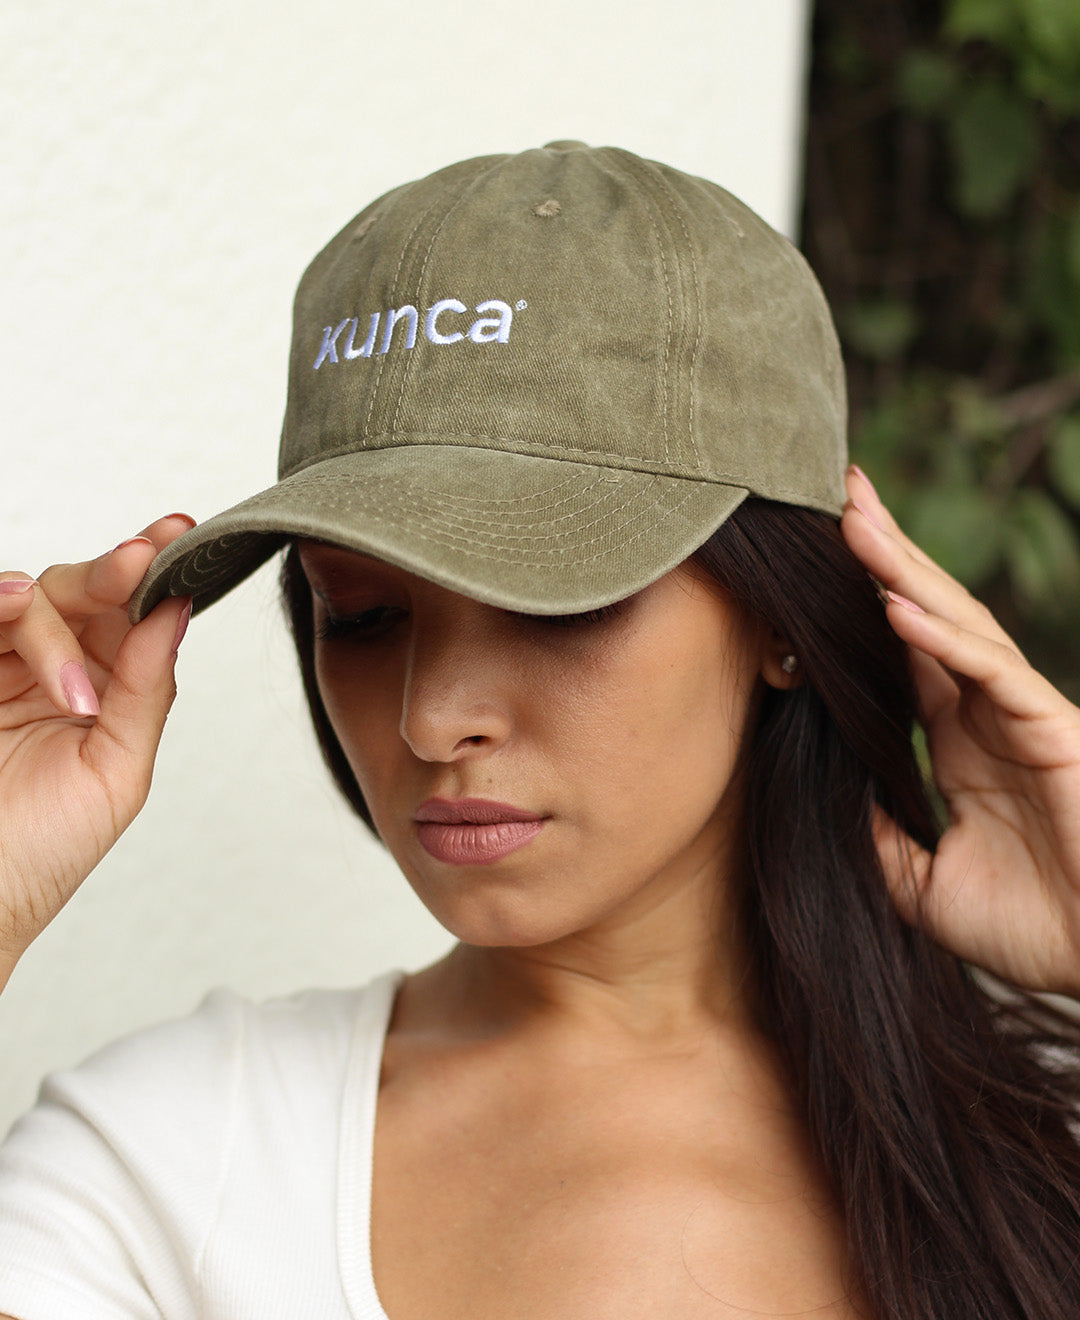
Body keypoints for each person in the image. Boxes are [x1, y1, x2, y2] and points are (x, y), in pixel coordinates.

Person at [0, 141, 1079, 1320]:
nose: (430, 717)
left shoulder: (1047, 1133)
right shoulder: (166, 1168)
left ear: (779, 616)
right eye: (361, 616)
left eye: (552, 603)